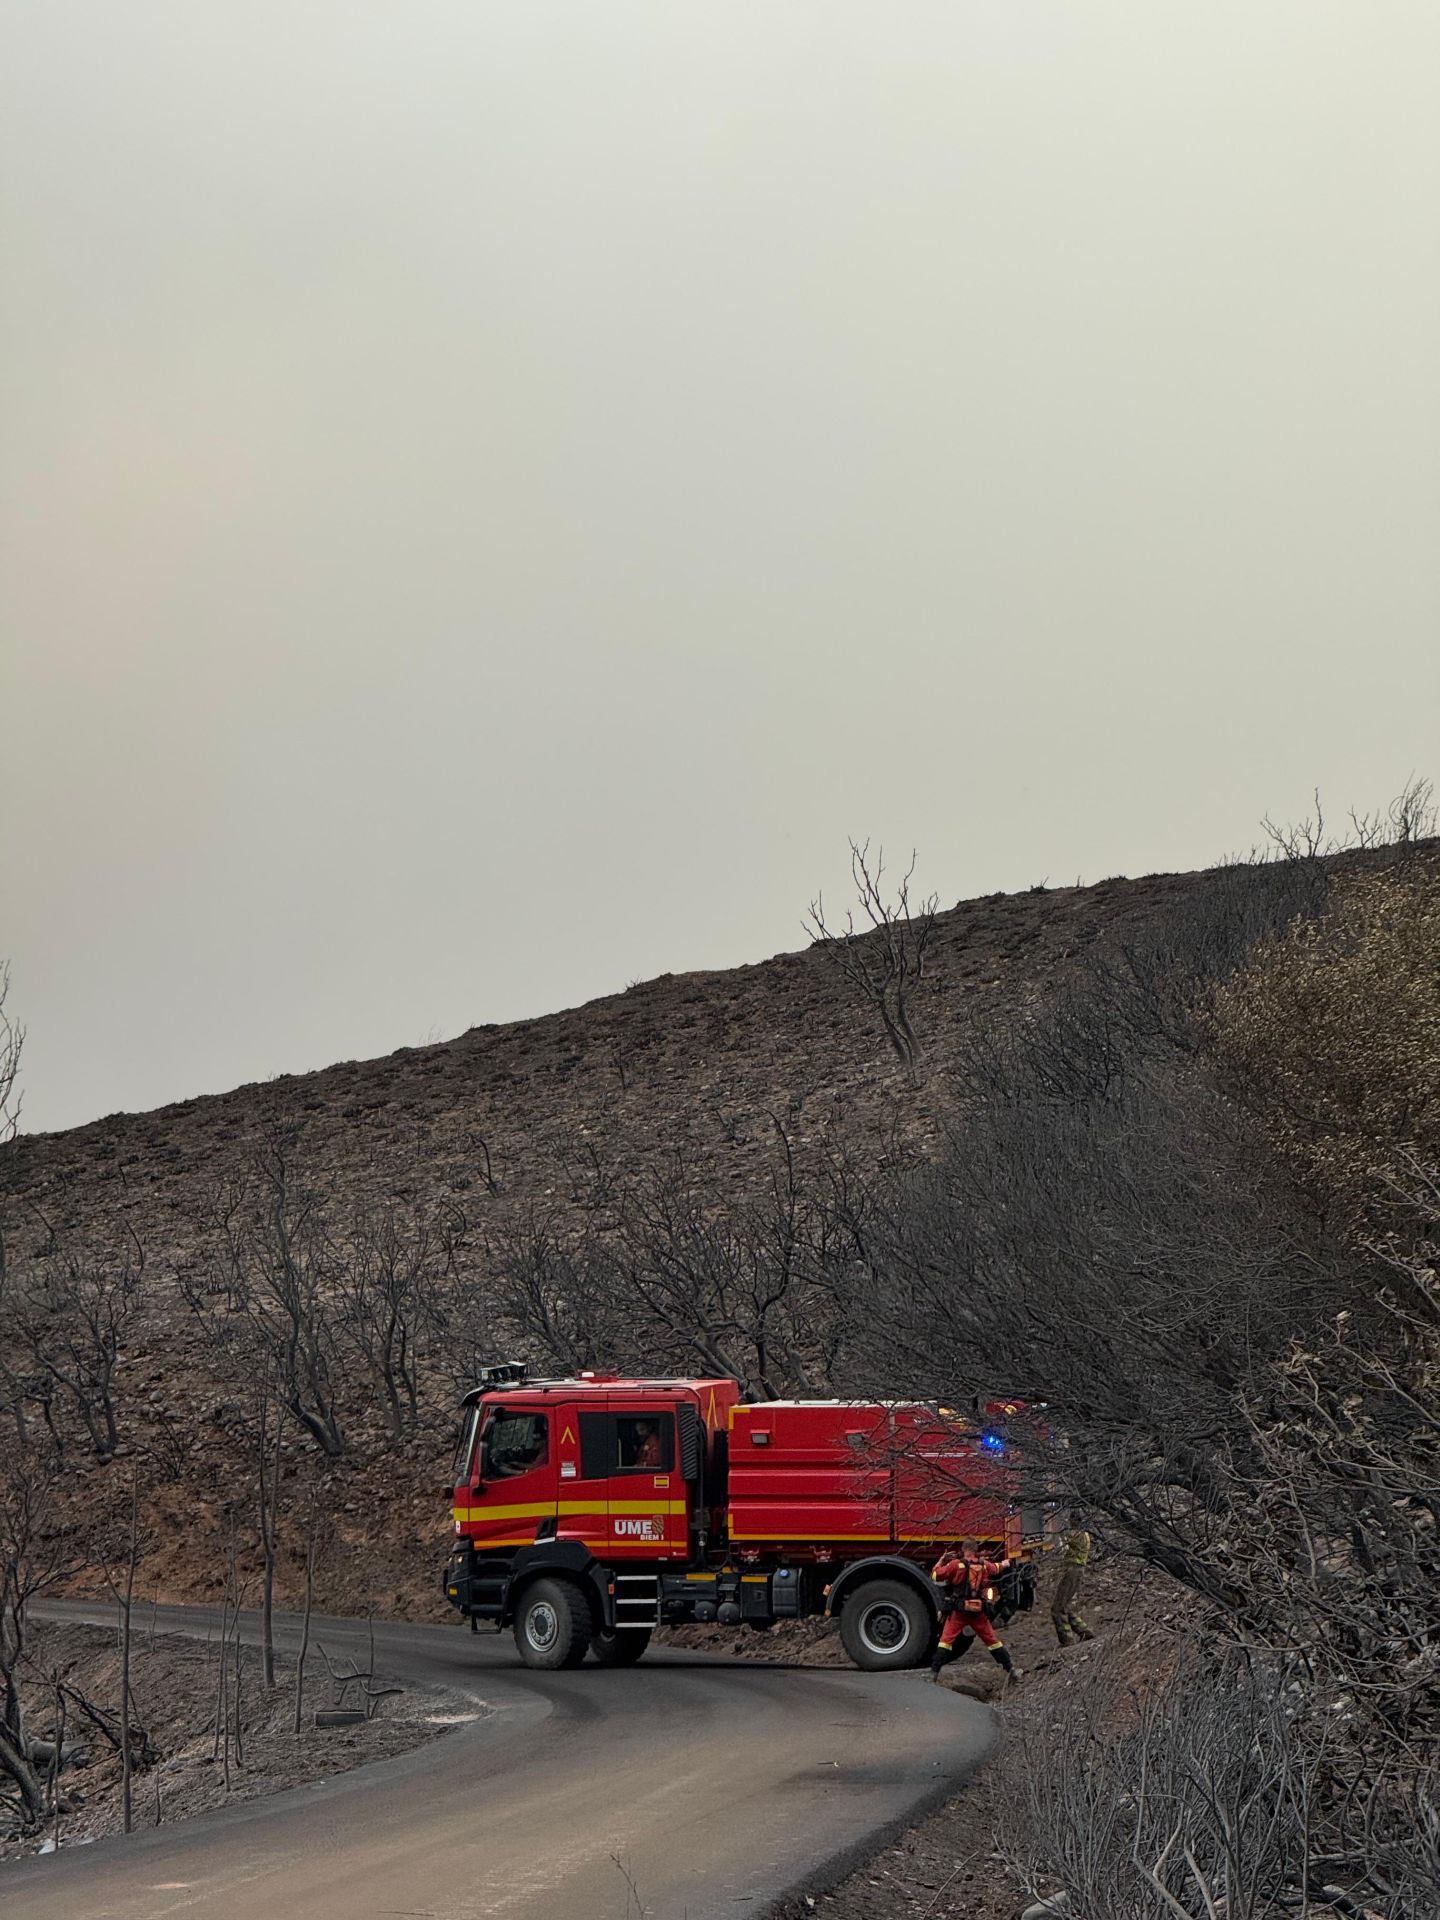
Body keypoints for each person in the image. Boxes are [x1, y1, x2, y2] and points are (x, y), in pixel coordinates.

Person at [929, 1538, 1019, 1683]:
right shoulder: (984, 1566)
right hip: (978, 1611)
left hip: (959, 1611)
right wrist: (1007, 1563)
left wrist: (941, 1560)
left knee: (946, 1641)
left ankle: (933, 1673)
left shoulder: (955, 1565)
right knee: (992, 1641)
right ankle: (1011, 1670)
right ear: (976, 1550)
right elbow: (997, 1568)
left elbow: (935, 1575)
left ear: (963, 1549)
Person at [1051, 1528, 1094, 1647]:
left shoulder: (1077, 1534)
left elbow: (1063, 1542)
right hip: (1077, 1570)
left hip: (1072, 1571)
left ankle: (1067, 1640)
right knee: (1065, 1606)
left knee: (1057, 1608)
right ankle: (1084, 1631)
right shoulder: (1085, 1534)